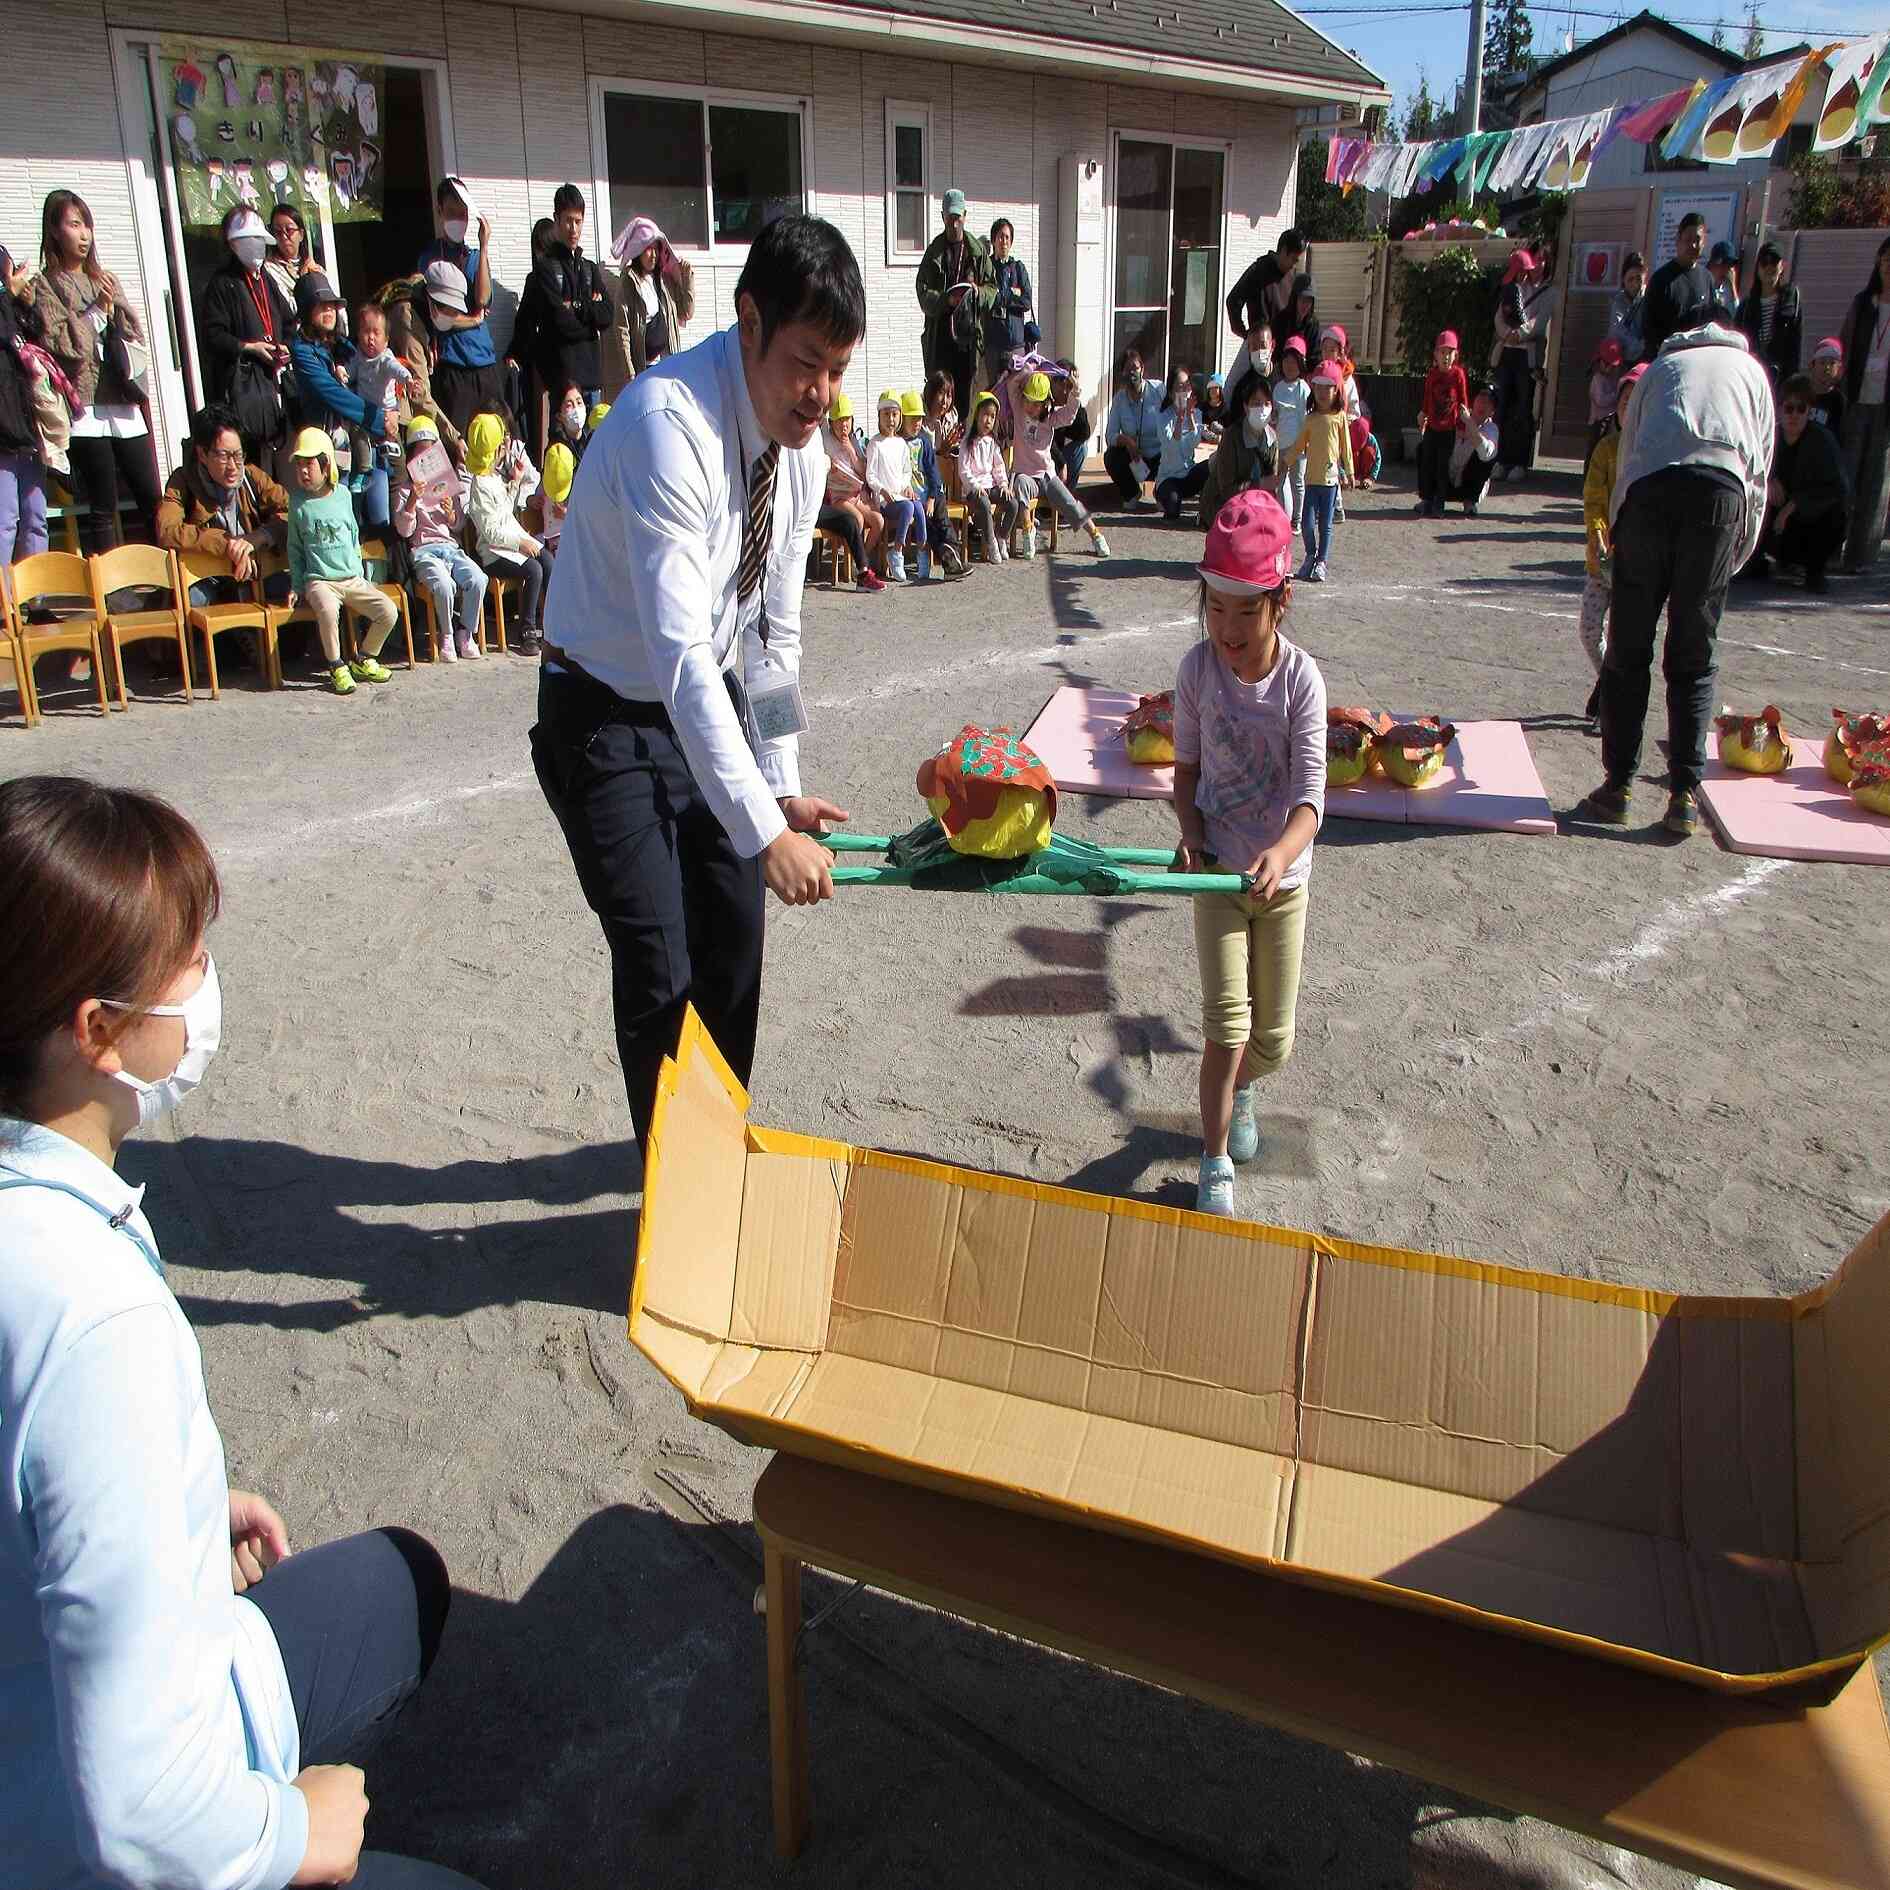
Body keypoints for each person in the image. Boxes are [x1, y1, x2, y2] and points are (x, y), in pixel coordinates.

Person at [0, 774, 483, 1890]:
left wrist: (167, 1510)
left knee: (398, 1580)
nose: (205, 981)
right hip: (76, 1837)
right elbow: (141, 1816)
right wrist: (292, 1833)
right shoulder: (92, 1316)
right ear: (98, 1033)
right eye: (187, 956)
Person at [532, 213, 861, 1153]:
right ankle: (679, 1193)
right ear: (748, 321)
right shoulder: (666, 426)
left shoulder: (799, 457)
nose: (822, 396)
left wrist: (782, 783)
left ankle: (712, 1148)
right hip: (602, 719)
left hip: (701, 710)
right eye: (808, 363)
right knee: (660, 969)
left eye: (838, 371)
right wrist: (763, 830)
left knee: (734, 949)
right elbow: (680, 658)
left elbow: (770, 630)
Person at [1171, 491, 1325, 1219]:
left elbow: (1311, 800)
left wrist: (1280, 853)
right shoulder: (1197, 671)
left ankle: (1245, 1088)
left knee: (1273, 1041)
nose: (1227, 628)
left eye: (1245, 609)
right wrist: (1192, 835)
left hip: (1282, 882)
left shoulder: (1302, 681)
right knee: (1225, 1027)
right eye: (1216, 606)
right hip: (1217, 878)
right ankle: (1214, 1159)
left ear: (1281, 601)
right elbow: (1188, 773)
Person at [1579, 310, 1773, 838]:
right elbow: (1757, 468)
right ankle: (1684, 794)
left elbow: (1631, 462)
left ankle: (1618, 786)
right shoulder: (1750, 373)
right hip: (1718, 497)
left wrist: (1620, 540)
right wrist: (1735, 553)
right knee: (1694, 647)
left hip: (1648, 499)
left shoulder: (1664, 368)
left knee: (1629, 645)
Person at [32, 189, 159, 552]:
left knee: (150, 495)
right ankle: (110, 591)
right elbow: (62, 345)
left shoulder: (104, 277)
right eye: (74, 224)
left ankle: (166, 583)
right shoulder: (46, 284)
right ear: (55, 231)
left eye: (87, 224)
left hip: (121, 397)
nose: (84, 234)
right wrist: (96, 312)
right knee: (102, 503)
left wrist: (117, 308)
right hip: (85, 404)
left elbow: (133, 333)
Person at [285, 426, 400, 696]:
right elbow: (295, 548)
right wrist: (297, 585)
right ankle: (336, 665)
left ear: (326, 465)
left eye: (309, 464)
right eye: (298, 465)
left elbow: (353, 532)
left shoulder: (343, 494)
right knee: (327, 610)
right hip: (320, 580)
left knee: (388, 611)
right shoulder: (298, 503)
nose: (303, 471)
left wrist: (359, 571)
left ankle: (364, 659)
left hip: (351, 577)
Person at [156, 403, 289, 626]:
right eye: (223, 456)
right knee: (189, 605)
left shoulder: (252, 476)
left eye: (238, 455)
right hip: (206, 575)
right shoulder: (183, 482)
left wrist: (261, 536)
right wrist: (227, 544)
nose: (233, 466)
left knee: (299, 590)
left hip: (253, 570)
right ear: (202, 454)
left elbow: (294, 511)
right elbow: (167, 530)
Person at [286, 271, 390, 534]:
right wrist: (379, 419)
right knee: (344, 518)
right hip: (331, 447)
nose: (329, 310)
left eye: (332, 304)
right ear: (307, 310)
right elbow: (333, 393)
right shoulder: (302, 351)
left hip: (364, 441)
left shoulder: (340, 346)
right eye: (322, 305)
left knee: (380, 518)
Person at [198, 206, 294, 469]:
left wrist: (285, 346)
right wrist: (249, 347)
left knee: (276, 460)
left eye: (259, 240)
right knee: (247, 461)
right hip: (242, 389)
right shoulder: (223, 283)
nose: (256, 246)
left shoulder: (265, 278)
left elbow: (288, 322)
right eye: (248, 240)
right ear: (232, 244)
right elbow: (213, 336)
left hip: (272, 384)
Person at [1740, 373, 1851, 594]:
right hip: (1772, 518)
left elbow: (1839, 488)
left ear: (1809, 411)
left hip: (1807, 519)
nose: (1794, 415)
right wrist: (1767, 480)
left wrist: (1796, 504)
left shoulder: (1823, 440)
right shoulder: (1767, 436)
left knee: (1836, 515)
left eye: (1801, 409)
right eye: (1788, 408)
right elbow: (1746, 466)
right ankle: (1754, 560)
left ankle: (1815, 572)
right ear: (1779, 409)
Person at [1579, 364, 1644, 728]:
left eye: (1636, 402)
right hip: (1601, 560)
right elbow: (1593, 496)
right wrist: (1598, 530)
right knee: (1590, 630)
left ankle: (1613, 701)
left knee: (1624, 637)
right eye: (1624, 400)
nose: (1628, 408)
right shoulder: (1606, 448)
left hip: (1635, 564)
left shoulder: (1650, 455)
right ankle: (1608, 682)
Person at [394, 412, 486, 661]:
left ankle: (465, 631)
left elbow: (458, 525)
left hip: (450, 548)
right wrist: (412, 500)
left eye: (431, 454)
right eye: (420, 454)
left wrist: (452, 514)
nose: (426, 460)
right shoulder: (404, 490)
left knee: (478, 578)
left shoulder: (446, 483)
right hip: (424, 551)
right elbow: (404, 530)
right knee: (444, 585)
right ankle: (445, 634)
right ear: (411, 457)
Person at [417, 175, 503, 434]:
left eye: (463, 213)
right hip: (453, 367)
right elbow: (440, 318)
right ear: (440, 211)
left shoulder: (474, 256)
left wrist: (484, 245)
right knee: (462, 441)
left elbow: (483, 300)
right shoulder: (430, 259)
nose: (458, 219)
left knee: (497, 436)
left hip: (484, 363)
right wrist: (473, 320)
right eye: (451, 212)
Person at [465, 409, 549, 651]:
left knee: (548, 561)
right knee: (534, 569)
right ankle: (527, 629)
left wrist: (514, 482)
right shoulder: (479, 484)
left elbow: (503, 509)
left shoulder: (492, 476)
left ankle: (553, 620)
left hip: (512, 541)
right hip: (494, 553)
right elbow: (491, 532)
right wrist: (520, 544)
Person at [1007, 365, 1110, 559]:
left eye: (1037, 404)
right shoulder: (1018, 408)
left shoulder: (1050, 419)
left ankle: (1095, 534)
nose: (1031, 407)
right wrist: (1029, 371)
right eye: (1029, 401)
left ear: (1046, 403)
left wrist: (1075, 390)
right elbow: (1012, 384)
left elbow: (1071, 413)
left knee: (1070, 503)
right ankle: (1028, 529)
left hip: (1047, 475)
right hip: (1025, 475)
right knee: (1020, 484)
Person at [530, 184, 614, 419]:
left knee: (595, 447)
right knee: (564, 454)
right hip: (563, 382)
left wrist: (576, 306)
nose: (573, 228)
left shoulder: (589, 268)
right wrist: (590, 318)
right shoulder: (546, 268)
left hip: (592, 378)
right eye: (568, 221)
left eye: (578, 221)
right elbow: (560, 322)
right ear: (556, 219)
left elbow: (608, 314)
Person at [915, 189, 995, 419]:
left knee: (965, 395)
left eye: (958, 217)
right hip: (940, 338)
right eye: (950, 217)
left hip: (968, 339)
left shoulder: (977, 252)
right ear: (942, 217)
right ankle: (939, 445)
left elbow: (993, 289)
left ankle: (959, 445)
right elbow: (922, 292)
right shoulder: (933, 253)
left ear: (965, 216)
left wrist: (977, 293)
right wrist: (945, 300)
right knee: (938, 395)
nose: (954, 222)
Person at [1837, 236, 1890, 573]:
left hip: (1885, 405)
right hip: (1857, 398)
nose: (1888, 265)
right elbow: (1844, 344)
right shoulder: (1863, 303)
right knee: (1847, 477)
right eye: (1885, 258)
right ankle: (1832, 548)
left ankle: (1862, 556)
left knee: (1875, 482)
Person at [0, 246, 50, 562]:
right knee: (5, 523)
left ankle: (38, 598)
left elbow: (39, 342)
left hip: (28, 428)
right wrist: (7, 295)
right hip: (3, 434)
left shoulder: (10, 307)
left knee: (36, 520)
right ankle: (3, 604)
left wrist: (28, 305)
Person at [604, 215, 691, 394]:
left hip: (667, 364)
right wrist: (630, 374)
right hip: (644, 368)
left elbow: (686, 313)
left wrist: (688, 279)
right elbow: (622, 331)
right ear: (638, 251)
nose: (653, 255)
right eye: (648, 249)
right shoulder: (629, 282)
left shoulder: (664, 280)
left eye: (656, 249)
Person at [1283, 363, 1351, 582]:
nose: (1322, 393)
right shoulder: (1310, 419)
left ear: (1336, 390)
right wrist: (1285, 462)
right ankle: (1310, 555)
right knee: (1306, 523)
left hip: (1330, 483)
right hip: (1311, 481)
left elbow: (1345, 447)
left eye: (1328, 387)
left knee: (1326, 525)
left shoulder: (1339, 417)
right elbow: (1298, 446)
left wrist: (1349, 471)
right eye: (1318, 387)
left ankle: (1322, 561)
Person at [1492, 246, 1554, 480]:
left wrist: (1520, 332)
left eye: (1543, 261)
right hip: (1507, 351)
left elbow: (1540, 321)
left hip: (1526, 355)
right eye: (1536, 259)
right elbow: (1500, 315)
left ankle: (1519, 462)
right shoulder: (1515, 284)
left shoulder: (1548, 292)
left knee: (1523, 408)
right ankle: (1500, 459)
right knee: (1502, 406)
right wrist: (1507, 332)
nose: (1538, 265)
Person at [819, 391, 885, 591]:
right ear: (832, 423)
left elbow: (863, 473)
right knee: (857, 519)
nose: (844, 425)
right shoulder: (826, 440)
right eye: (839, 421)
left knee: (878, 521)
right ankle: (857, 567)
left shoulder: (854, 440)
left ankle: (860, 564)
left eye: (847, 420)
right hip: (838, 495)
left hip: (856, 493)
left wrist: (851, 451)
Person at [347, 300, 413, 497]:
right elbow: (350, 373)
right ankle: (364, 471)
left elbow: (397, 369)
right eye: (366, 332)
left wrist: (408, 380)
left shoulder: (385, 358)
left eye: (377, 333)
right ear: (358, 335)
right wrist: (342, 373)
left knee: (395, 456)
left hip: (387, 416)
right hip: (365, 414)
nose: (371, 338)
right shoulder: (358, 356)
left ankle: (401, 486)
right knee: (359, 436)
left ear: (386, 339)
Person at [1198, 372, 1278, 534]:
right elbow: (1226, 489)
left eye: (1266, 403)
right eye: (1256, 403)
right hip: (1222, 506)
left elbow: (1272, 483)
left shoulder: (1272, 438)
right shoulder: (1231, 436)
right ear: (1245, 406)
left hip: (1254, 507)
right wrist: (1259, 484)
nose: (1262, 408)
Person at [1224, 228, 1303, 391]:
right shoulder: (1259, 270)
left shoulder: (1292, 277)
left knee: (1276, 393)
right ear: (1283, 251)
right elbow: (1233, 300)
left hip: (1279, 349)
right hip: (1256, 344)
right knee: (1231, 388)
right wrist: (1245, 333)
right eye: (1293, 259)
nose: (1295, 264)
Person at [902, 387, 964, 578]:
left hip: (930, 494)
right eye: (913, 419)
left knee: (944, 523)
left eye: (920, 419)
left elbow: (933, 472)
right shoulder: (897, 443)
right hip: (911, 499)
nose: (917, 424)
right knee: (929, 527)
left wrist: (931, 496)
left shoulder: (924, 441)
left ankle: (954, 560)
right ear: (902, 419)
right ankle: (950, 563)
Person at [866, 389, 924, 582]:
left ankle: (922, 551)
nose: (891, 419)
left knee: (917, 506)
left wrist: (907, 486)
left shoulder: (901, 443)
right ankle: (896, 551)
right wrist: (882, 490)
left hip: (900, 496)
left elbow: (906, 471)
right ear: (879, 416)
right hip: (885, 501)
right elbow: (870, 475)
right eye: (886, 414)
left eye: (894, 414)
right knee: (908, 506)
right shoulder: (875, 444)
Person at [1640, 214, 1712, 363]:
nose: (1692, 245)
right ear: (1678, 240)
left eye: (1697, 240)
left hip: (1700, 362)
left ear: (1704, 242)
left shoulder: (1707, 278)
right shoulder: (1661, 280)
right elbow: (1649, 332)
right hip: (1668, 362)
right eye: (1688, 239)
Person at [957, 390, 1017, 565]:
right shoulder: (967, 442)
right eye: (985, 415)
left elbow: (998, 467)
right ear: (976, 415)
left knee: (1012, 503)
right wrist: (975, 486)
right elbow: (964, 470)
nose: (988, 420)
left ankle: (1001, 537)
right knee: (983, 503)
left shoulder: (993, 442)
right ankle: (990, 543)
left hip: (991, 486)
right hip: (974, 490)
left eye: (992, 416)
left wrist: (1004, 485)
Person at [1414, 328, 1468, 518]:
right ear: (1435, 354)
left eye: (1449, 353)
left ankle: (1440, 502)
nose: (1446, 357)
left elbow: (1462, 402)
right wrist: (1423, 416)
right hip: (1432, 427)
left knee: (1442, 467)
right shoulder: (1432, 375)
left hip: (1449, 429)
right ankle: (1426, 499)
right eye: (1442, 352)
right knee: (1427, 463)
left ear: (1456, 355)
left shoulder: (1458, 375)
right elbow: (1427, 399)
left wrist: (1463, 426)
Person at [1102, 349, 1166, 506]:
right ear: (1122, 372)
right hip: (1135, 457)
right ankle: (1131, 493)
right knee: (1111, 456)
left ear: (1142, 369)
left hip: (1161, 456)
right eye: (1128, 369)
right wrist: (1127, 441)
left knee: (1165, 505)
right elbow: (1110, 435)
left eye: (1135, 368)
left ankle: (1161, 490)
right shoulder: (1119, 399)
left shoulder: (1158, 390)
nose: (1132, 373)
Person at [1738, 242, 1801, 384]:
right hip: (1752, 374)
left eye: (1774, 262)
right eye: (1764, 262)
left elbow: (1796, 342)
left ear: (1782, 266)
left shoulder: (1791, 299)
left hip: (1780, 377)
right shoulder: (1746, 306)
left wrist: (1793, 379)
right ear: (1758, 268)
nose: (1769, 267)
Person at [983, 218, 1033, 393]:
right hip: (993, 345)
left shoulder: (1018, 269)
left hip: (1015, 345)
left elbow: (1026, 301)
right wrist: (1012, 296)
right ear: (993, 240)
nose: (1003, 241)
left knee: (1016, 394)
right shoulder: (986, 268)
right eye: (999, 237)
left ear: (1011, 241)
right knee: (995, 394)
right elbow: (984, 299)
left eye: (1006, 237)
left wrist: (1003, 297)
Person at [1154, 361, 1208, 520]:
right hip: (1169, 478)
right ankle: (1160, 495)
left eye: (1187, 386)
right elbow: (1171, 445)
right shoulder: (1163, 416)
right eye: (1179, 387)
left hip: (1188, 474)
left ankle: (1207, 508)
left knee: (1211, 466)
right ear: (1171, 392)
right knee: (1172, 510)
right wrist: (1179, 419)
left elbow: (1194, 443)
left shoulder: (1196, 413)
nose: (1184, 391)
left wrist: (1190, 417)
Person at [1442, 382, 1499, 516]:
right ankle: (1430, 498)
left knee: (1484, 458)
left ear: (1492, 411)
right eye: (1480, 399)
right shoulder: (1455, 419)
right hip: (1446, 481)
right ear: (1473, 402)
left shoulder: (1491, 429)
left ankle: (1469, 502)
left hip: (1469, 486)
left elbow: (1486, 454)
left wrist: (1469, 424)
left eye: (1488, 402)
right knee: (1426, 447)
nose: (1483, 404)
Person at [1271, 337, 1310, 528]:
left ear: (1301, 363)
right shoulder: (1278, 388)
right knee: (1279, 480)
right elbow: (1275, 414)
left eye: (1294, 362)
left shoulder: (1303, 388)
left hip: (1298, 444)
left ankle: (1297, 519)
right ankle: (1283, 516)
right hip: (1280, 443)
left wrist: (1305, 443)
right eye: (1286, 361)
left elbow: (1306, 417)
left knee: (1298, 482)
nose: (1289, 366)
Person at [264, 202, 323, 320]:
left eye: (289, 230)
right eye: (278, 232)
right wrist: (304, 281)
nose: (284, 236)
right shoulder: (268, 269)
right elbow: (288, 309)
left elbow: (336, 310)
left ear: (301, 234)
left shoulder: (314, 267)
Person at [1051, 360, 1091, 492]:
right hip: (1044, 458)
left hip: (1059, 456)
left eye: (1070, 386)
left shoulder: (1069, 405)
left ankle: (1068, 493)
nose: (1066, 391)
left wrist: (1074, 395)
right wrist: (1061, 462)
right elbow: (1049, 441)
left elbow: (1084, 432)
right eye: (1066, 385)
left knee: (1081, 447)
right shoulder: (1044, 403)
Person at [1586, 336, 1623, 464]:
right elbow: (1600, 400)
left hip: (1610, 419)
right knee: (1594, 452)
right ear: (1599, 361)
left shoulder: (1612, 379)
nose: (1609, 368)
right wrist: (1616, 395)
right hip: (1599, 422)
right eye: (1607, 364)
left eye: (1612, 366)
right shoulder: (1598, 379)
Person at [1607, 252, 1646, 366]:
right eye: (1630, 279)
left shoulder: (1649, 299)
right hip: (1622, 362)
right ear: (1623, 279)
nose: (1635, 284)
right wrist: (1640, 346)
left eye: (1638, 278)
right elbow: (1617, 330)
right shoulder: (1619, 301)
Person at [1271, 273, 1319, 363]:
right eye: (1302, 298)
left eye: (1308, 300)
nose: (1305, 305)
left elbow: (1314, 356)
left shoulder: (1313, 324)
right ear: (1294, 298)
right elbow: (1275, 353)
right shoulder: (1281, 320)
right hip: (1282, 370)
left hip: (1304, 372)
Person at [1809, 336, 1846, 433]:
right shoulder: (1803, 393)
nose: (1827, 368)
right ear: (1812, 366)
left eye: (1832, 363)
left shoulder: (1839, 400)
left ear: (1839, 370)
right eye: (1822, 362)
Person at [1705, 242, 1742, 326]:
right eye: (1725, 264)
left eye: (1730, 265)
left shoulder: (1727, 288)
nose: (1727, 269)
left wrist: (1733, 287)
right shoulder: (1703, 282)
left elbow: (1737, 315)